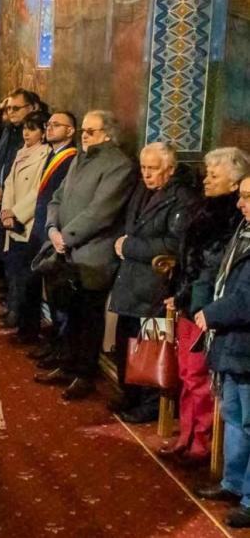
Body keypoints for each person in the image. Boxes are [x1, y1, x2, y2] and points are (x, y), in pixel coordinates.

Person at [36, 110, 134, 400]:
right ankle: (67, 364)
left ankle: (84, 374)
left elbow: (101, 211)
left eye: (92, 131)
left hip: (93, 255)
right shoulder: (81, 157)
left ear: (108, 134)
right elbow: (57, 198)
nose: (85, 136)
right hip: (66, 249)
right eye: (84, 131)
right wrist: (52, 229)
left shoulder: (119, 165)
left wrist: (66, 237)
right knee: (69, 313)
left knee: (89, 317)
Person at [166, 148, 249, 465]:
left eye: (214, 175)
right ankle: (186, 435)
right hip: (191, 302)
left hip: (208, 308)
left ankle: (200, 442)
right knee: (186, 374)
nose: (206, 180)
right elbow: (189, 258)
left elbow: (212, 268)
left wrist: (195, 300)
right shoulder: (204, 210)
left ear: (234, 183)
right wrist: (179, 293)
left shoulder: (232, 220)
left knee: (199, 378)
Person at [107, 142, 199, 423]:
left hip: (156, 285)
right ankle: (130, 394)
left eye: (153, 169)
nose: (146, 174)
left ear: (169, 169)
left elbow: (174, 244)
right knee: (126, 341)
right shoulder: (142, 189)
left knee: (150, 347)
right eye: (143, 167)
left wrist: (129, 246)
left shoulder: (183, 198)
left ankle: (148, 404)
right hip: (131, 280)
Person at [194, 172, 250, 528]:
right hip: (233, 343)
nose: (240, 203)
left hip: (244, 344)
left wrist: (212, 313)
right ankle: (233, 482)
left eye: (248, 196)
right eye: (241, 195)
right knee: (233, 416)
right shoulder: (243, 232)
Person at [24, 111, 78, 357]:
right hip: (43, 228)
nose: (49, 128)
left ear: (70, 131)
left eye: (56, 125)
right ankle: (53, 344)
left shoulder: (71, 158)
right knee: (49, 291)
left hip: (56, 232)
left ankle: (60, 349)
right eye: (49, 124)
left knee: (59, 297)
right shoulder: (53, 155)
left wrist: (54, 230)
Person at [0, 111, 50, 332]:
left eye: (32, 129)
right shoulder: (21, 152)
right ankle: (15, 312)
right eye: (25, 128)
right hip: (11, 219)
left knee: (26, 275)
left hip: (26, 221)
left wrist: (16, 213)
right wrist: (5, 210)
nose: (26, 133)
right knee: (13, 269)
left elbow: (38, 190)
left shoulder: (45, 155)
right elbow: (9, 183)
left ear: (43, 132)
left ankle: (25, 323)